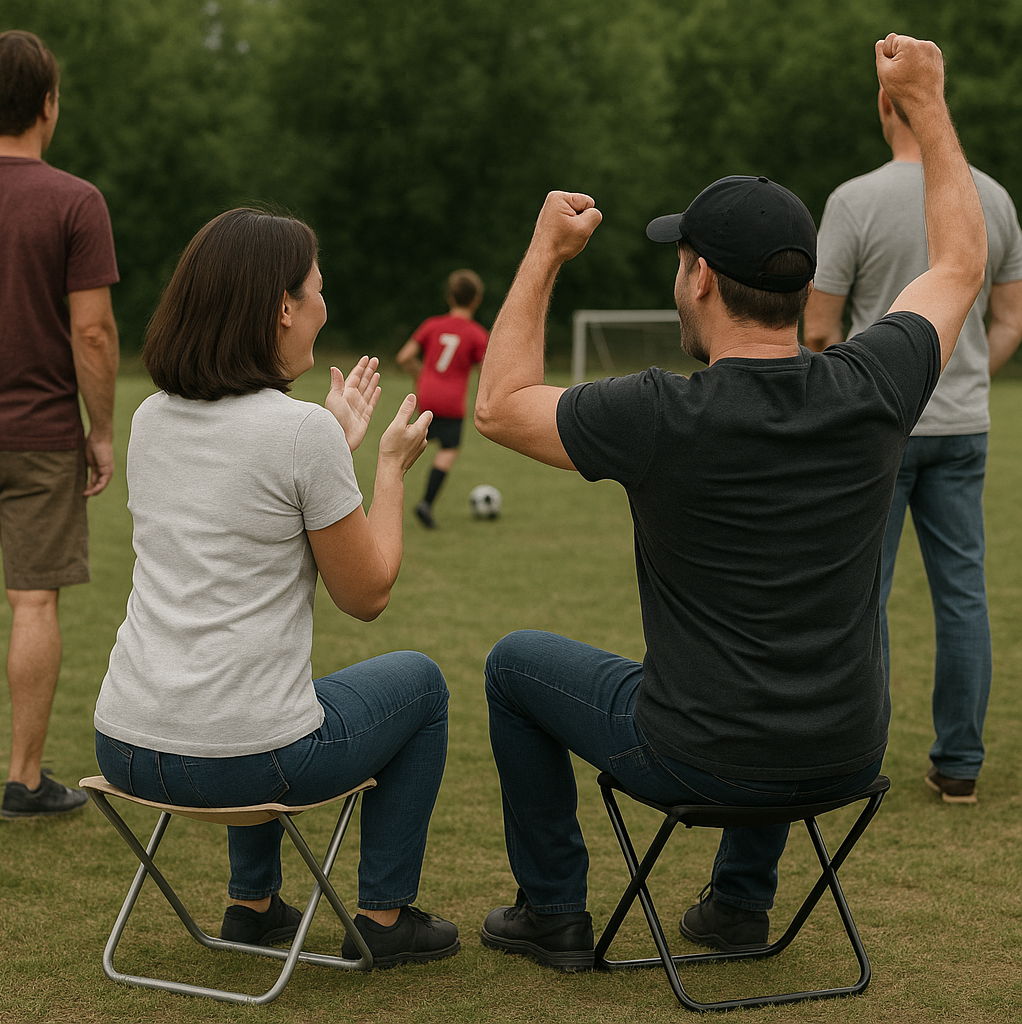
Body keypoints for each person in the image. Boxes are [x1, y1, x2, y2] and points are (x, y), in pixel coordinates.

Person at [471, 34, 986, 968]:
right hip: (847, 753)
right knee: (775, 667)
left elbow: (500, 406)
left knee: (513, 666)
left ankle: (552, 912)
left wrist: (545, 252)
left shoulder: (657, 414)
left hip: (695, 758)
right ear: (800, 284)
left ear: (700, 275)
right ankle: (740, 907)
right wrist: (929, 102)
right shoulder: (874, 385)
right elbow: (958, 265)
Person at [92, 209, 459, 966]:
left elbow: (245, 508)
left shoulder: (150, 417)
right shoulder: (299, 433)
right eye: (317, 289)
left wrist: (330, 446)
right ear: (284, 307)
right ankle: (384, 918)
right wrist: (389, 469)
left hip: (125, 740)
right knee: (420, 685)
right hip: (241, 762)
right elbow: (367, 595)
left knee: (258, 687)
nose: (324, 305)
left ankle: (253, 906)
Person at [803, 86, 1022, 806]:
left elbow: (819, 328)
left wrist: (851, 395)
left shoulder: (854, 200)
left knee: (865, 594)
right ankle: (959, 764)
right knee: (963, 596)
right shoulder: (992, 198)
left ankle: (857, 758)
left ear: (883, 106)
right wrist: (967, 379)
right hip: (963, 429)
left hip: (879, 427)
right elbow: (1011, 319)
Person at [0, 31, 119, 820]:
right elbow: (94, 332)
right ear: (47, 105)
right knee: (33, 604)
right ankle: (25, 780)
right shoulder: (75, 201)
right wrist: (100, 432)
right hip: (40, 435)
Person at [396, 269, 489, 528]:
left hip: (427, 395)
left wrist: (420, 375)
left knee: (415, 445)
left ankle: (389, 487)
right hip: (452, 401)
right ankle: (426, 503)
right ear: (476, 300)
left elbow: (404, 356)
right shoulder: (477, 334)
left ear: (449, 297)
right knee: (448, 450)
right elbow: (486, 369)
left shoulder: (432, 325)